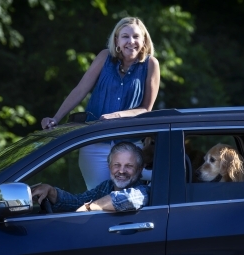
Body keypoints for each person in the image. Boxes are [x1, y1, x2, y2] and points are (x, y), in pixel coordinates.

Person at [41, 17, 160, 189]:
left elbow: (146, 109)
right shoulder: (104, 57)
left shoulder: (151, 64)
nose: (131, 41)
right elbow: (80, 90)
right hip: (95, 143)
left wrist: (117, 116)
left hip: (129, 146)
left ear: (144, 41)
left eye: (136, 37)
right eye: (125, 36)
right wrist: (56, 118)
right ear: (117, 40)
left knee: (125, 200)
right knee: (97, 197)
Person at [31, 142, 150, 212]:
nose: (122, 171)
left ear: (139, 169)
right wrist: (51, 191)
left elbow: (127, 199)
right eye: (117, 165)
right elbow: (77, 202)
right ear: (109, 167)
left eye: (129, 166)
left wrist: (90, 208)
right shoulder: (106, 186)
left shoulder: (143, 190)